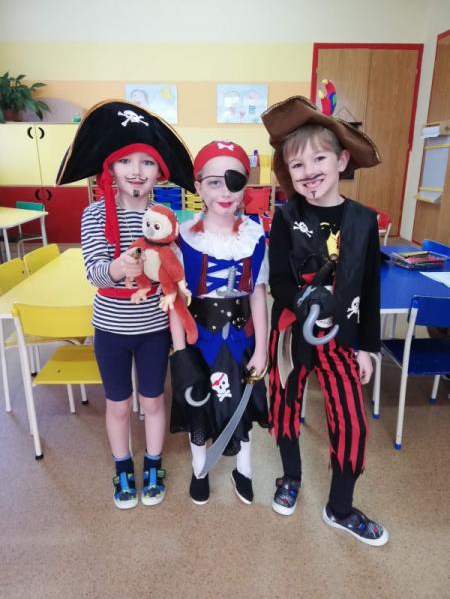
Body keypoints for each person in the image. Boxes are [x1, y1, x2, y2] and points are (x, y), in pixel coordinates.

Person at [261, 96, 389, 546]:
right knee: (284, 408)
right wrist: (305, 299)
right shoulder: (284, 216)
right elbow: (278, 280)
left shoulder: (363, 221)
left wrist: (368, 347)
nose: (309, 171)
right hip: (291, 334)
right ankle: (291, 476)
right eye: (297, 165)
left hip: (343, 337)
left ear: (341, 161)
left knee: (352, 422)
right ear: (288, 172)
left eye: (319, 159)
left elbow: (370, 288)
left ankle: (340, 507)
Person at [57, 100, 195, 509]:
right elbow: (94, 273)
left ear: (159, 172)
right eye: (126, 161)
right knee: (117, 405)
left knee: (153, 400)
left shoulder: (165, 217)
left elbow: (173, 270)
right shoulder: (93, 215)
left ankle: (153, 463)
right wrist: (118, 268)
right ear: (111, 169)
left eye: (147, 162)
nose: (136, 170)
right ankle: (122, 466)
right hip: (111, 329)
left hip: (153, 329)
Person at [169, 141, 269, 505]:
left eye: (234, 181)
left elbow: (258, 294)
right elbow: (175, 299)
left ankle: (245, 469)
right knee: (199, 405)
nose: (225, 192)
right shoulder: (182, 236)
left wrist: (262, 349)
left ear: (245, 186)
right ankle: (200, 470)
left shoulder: (255, 235)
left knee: (242, 402)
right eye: (213, 182)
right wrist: (180, 352)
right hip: (199, 338)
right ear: (197, 186)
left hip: (242, 338)